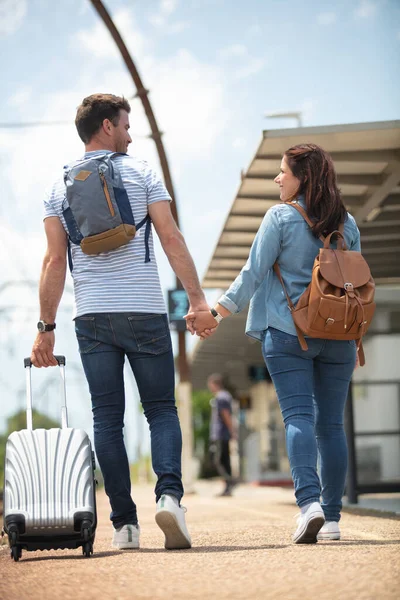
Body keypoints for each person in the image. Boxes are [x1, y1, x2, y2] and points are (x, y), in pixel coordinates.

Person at [30, 93, 210, 551]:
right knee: (162, 410)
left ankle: (124, 525)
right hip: (145, 311)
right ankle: (169, 496)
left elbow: (55, 262)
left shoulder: (58, 186)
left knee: (107, 420)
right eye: (126, 126)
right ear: (107, 126)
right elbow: (170, 237)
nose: (130, 135)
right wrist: (197, 300)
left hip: (92, 316)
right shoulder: (143, 172)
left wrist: (45, 328)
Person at [186, 144, 360, 544]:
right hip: (339, 336)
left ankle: (309, 505)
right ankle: (332, 519)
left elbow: (252, 274)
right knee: (331, 426)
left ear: (304, 178)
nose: (278, 178)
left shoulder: (280, 217)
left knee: (299, 418)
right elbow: (357, 285)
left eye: (284, 171)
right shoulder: (347, 224)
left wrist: (215, 314)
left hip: (288, 332)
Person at [207, 373, 237, 497]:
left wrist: (232, 431)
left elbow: (226, 415)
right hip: (222, 434)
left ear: (215, 384)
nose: (210, 388)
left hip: (220, 434)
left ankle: (230, 481)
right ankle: (228, 487)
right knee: (225, 460)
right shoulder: (225, 396)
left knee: (218, 460)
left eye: (210, 385)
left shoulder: (221, 397)